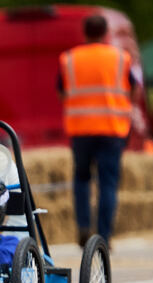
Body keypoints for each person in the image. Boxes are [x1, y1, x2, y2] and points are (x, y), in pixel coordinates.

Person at [58, 14, 135, 246]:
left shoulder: (69, 59)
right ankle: (103, 235)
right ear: (105, 33)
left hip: (81, 130)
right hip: (112, 130)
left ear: (85, 33)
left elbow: (62, 92)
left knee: (82, 179)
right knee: (108, 184)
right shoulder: (121, 58)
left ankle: (83, 227)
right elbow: (133, 90)